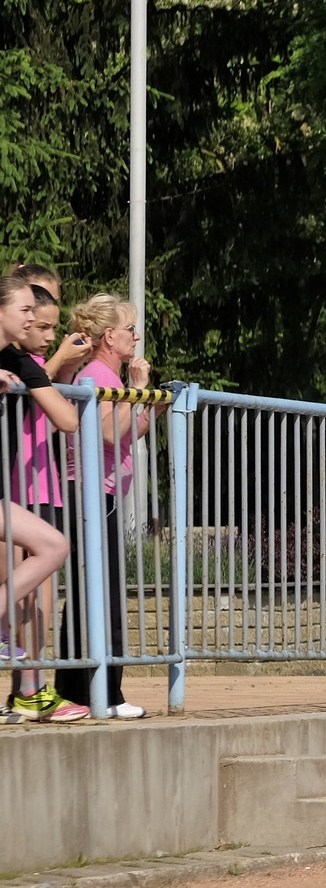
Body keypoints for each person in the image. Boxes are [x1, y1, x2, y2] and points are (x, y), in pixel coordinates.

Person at [52, 293, 151, 719]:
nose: (136, 336)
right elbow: (110, 433)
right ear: (109, 336)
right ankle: (104, 693)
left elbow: (128, 431)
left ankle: (78, 690)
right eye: (130, 329)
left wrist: (149, 406)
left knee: (90, 592)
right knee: (102, 593)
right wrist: (138, 390)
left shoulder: (106, 375)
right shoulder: (96, 374)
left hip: (100, 493)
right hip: (92, 494)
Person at [0, 274, 84, 724]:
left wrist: (45, 375)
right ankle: (29, 690)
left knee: (53, 547)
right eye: (26, 311)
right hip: (16, 488)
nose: (32, 319)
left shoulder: (21, 360)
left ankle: (31, 690)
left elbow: (67, 420)